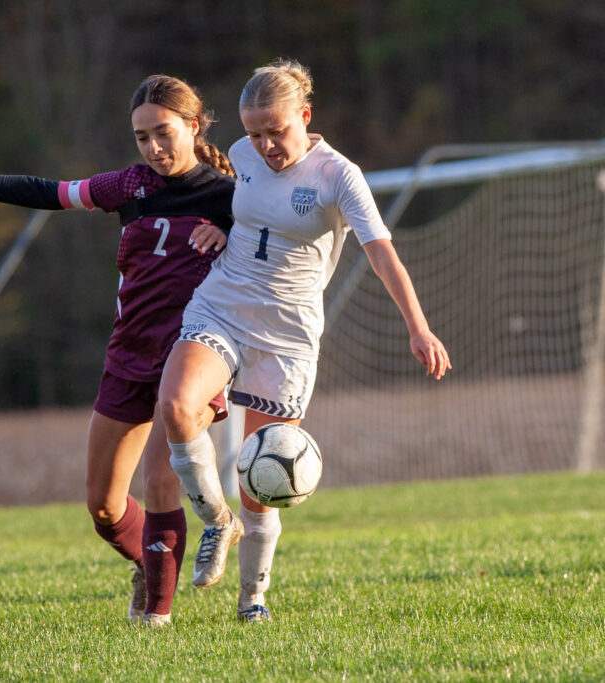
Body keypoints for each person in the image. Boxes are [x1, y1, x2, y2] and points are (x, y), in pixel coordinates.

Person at [0, 75, 236, 626]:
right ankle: (149, 565)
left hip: (192, 359)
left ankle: (155, 619)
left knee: (158, 483)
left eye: (164, 132)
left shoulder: (230, 197)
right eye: (141, 137)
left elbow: (281, 245)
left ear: (194, 126)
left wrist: (229, 232)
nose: (154, 147)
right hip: (127, 355)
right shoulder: (129, 186)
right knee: (104, 507)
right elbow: (46, 192)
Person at [157, 58, 452, 623]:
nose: (266, 145)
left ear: (306, 116)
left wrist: (418, 326)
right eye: (255, 133)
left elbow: (381, 251)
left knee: (261, 474)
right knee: (176, 406)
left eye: (278, 130)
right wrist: (222, 229)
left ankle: (252, 601)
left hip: (287, 334)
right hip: (222, 306)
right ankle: (216, 522)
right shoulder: (241, 158)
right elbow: (239, 208)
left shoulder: (338, 176)